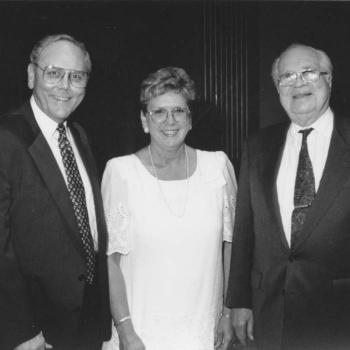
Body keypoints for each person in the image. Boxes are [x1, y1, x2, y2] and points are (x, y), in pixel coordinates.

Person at [101, 66, 237, 350]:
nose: (169, 121)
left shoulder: (218, 167)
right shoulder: (121, 172)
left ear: (190, 119)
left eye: (178, 111)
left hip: (203, 331)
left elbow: (231, 247)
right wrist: (126, 333)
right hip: (140, 333)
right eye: (158, 112)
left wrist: (227, 312)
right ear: (144, 120)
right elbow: (110, 261)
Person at [226, 43, 350, 350]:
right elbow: (245, 229)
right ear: (277, 87)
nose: (298, 83)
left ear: (329, 79)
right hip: (269, 315)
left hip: (339, 316)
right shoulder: (258, 146)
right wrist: (239, 302)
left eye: (308, 72)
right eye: (287, 76)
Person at [0, 34, 111, 350]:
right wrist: (21, 331)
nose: (65, 85)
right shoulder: (5, 139)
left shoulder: (79, 134)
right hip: (35, 332)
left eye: (77, 76)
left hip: (87, 324)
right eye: (54, 73)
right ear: (31, 75)